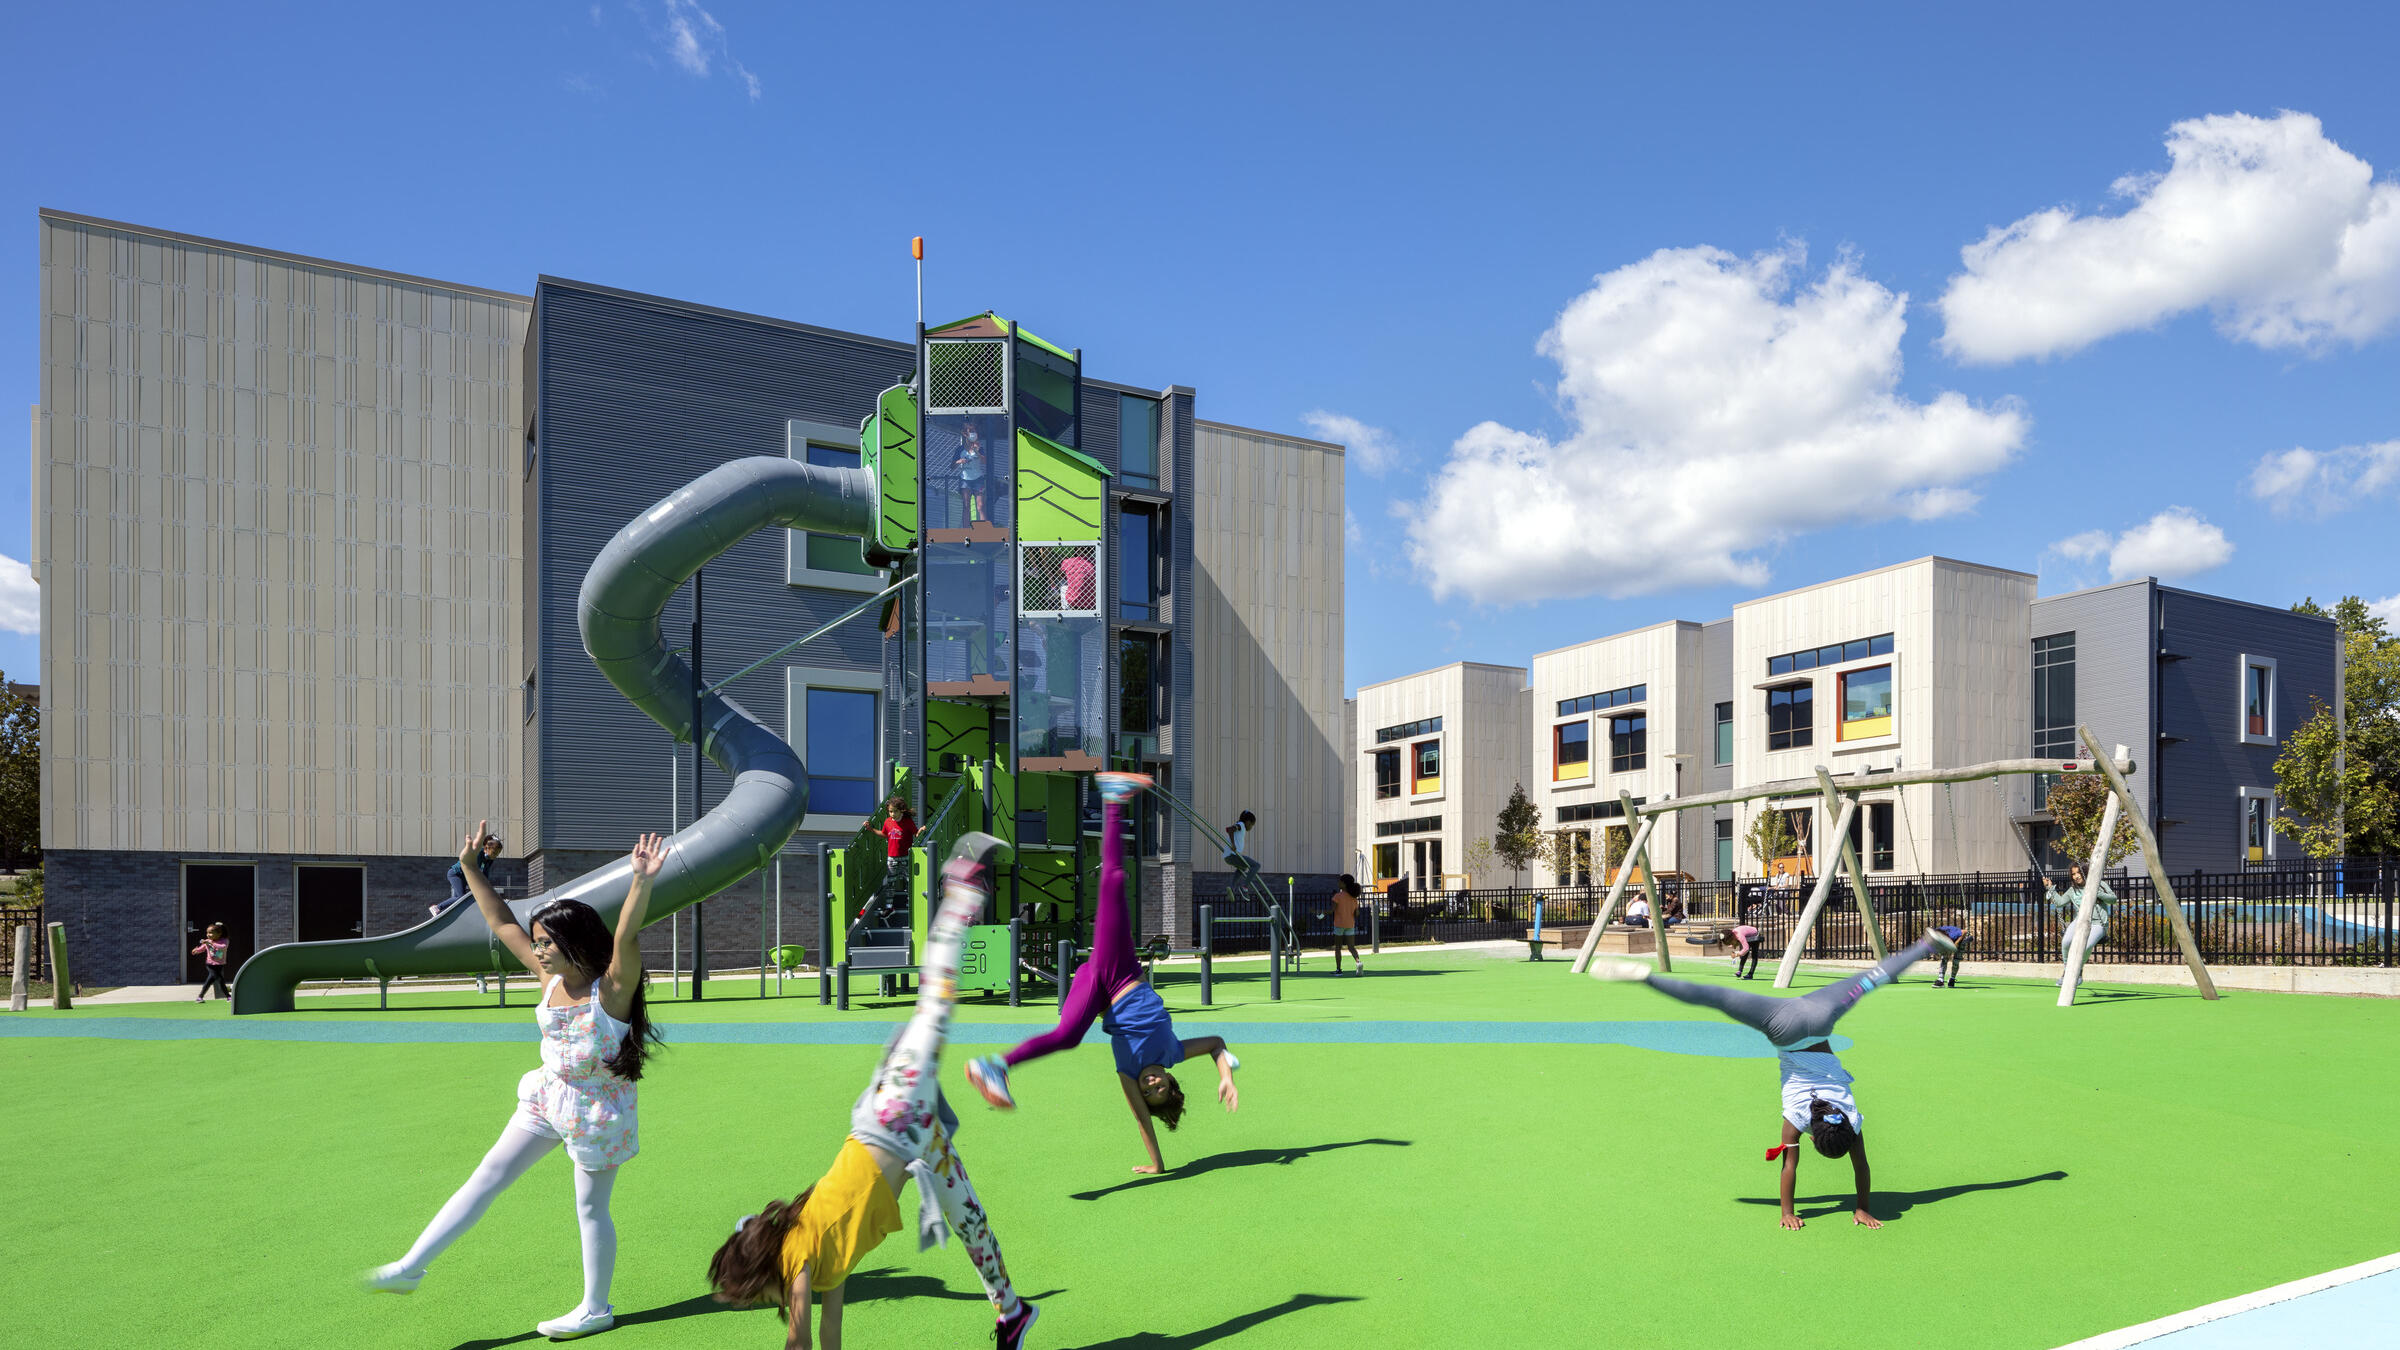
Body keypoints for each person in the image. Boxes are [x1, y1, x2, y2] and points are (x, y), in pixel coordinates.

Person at [705, 833, 1039, 1350]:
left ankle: (962, 887)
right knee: (968, 1218)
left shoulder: (796, 1255)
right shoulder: (824, 1271)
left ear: (758, 1275)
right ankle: (1011, 1312)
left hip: (893, 1115)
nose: (753, 1305)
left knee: (935, 1001)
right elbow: (829, 1335)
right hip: (914, 1142)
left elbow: (800, 1343)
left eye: (745, 1299)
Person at [367, 823, 666, 1340]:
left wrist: (640, 880)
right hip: (548, 1096)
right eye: (538, 942)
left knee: (590, 1207)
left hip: (597, 1110)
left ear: (574, 944)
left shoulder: (611, 990)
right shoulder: (549, 978)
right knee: (486, 1177)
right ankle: (411, 1266)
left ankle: (596, 1308)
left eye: (548, 942)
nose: (538, 949)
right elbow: (501, 920)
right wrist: (468, 867)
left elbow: (625, 936)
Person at [966, 772, 1242, 1175]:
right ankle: (1113, 800)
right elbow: (1218, 1042)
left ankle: (994, 1066)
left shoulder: (1129, 1074)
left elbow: (1141, 1119)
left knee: (1065, 1036)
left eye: (1150, 1092)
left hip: (1101, 990)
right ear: (1170, 1078)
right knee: (1113, 883)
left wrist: (1157, 1164)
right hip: (1121, 973)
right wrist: (1225, 1077)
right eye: (1161, 1087)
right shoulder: (1175, 1053)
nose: (1152, 1086)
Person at [1591, 926, 1957, 1230]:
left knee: (1875, 977)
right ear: (1816, 1138)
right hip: (1785, 1028)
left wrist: (1859, 1205)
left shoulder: (1851, 1120)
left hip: (1822, 1012)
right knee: (1715, 998)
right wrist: (1787, 1212)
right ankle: (1646, 979)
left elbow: (1861, 1166)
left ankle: (1926, 944)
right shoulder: (1796, 1121)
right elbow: (1790, 1167)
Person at [2047, 863, 2117, 988]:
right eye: (2073, 874)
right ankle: (2067, 970)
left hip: (2098, 923)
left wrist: (2098, 893)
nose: (2076, 876)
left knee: (2085, 946)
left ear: (2084, 872)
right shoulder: (2073, 890)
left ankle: (2078, 971)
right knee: (2066, 941)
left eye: (2078, 873)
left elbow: (2113, 899)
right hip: (2080, 920)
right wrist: (2050, 888)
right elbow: (2060, 903)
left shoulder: (2099, 884)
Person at [435, 832, 503, 917]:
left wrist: (487, 886)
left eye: (497, 854)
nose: (495, 856)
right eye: (494, 853)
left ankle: (445, 913)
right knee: (461, 898)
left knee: (457, 900)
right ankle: (438, 907)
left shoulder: (490, 859)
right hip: (456, 873)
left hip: (464, 876)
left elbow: (485, 874)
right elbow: (474, 872)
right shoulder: (478, 854)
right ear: (486, 848)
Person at [880, 798, 918, 911]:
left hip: (906, 856)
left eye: (895, 811)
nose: (892, 814)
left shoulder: (908, 821)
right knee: (890, 883)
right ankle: (889, 907)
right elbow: (884, 834)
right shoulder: (887, 821)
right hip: (892, 858)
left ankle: (910, 904)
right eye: (890, 811)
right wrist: (870, 829)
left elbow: (916, 834)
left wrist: (920, 831)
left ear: (901, 810)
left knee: (909, 882)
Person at [1330, 875, 1368, 975]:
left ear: (1344, 884)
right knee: (1351, 947)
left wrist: (1320, 913)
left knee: (1338, 947)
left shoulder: (1337, 896)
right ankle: (1358, 962)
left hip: (1339, 925)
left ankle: (1338, 970)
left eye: (1340, 882)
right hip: (1350, 924)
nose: (1338, 883)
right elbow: (1356, 913)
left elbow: (1331, 910)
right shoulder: (1354, 898)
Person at [191, 922, 232, 1001]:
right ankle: (228, 996)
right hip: (210, 964)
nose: (208, 935)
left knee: (209, 981)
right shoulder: (208, 941)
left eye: (210, 933)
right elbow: (202, 948)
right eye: (207, 933)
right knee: (220, 980)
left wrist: (211, 943)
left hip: (220, 964)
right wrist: (196, 950)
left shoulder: (224, 941)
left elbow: (222, 947)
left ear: (219, 934)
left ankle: (200, 997)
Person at [1730, 901, 1765, 980]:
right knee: (1745, 954)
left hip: (1754, 935)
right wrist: (1733, 947)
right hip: (1748, 935)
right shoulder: (1734, 933)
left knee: (1754, 955)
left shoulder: (1739, 934)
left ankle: (1750, 974)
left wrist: (1737, 954)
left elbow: (1745, 948)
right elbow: (1736, 942)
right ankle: (1739, 971)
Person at [1930, 924, 1969, 988]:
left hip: (1960, 941)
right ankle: (1940, 980)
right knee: (1944, 959)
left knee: (1956, 961)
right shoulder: (1935, 935)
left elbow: (1964, 932)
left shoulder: (1952, 934)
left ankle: (1952, 979)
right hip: (1948, 941)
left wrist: (1956, 943)